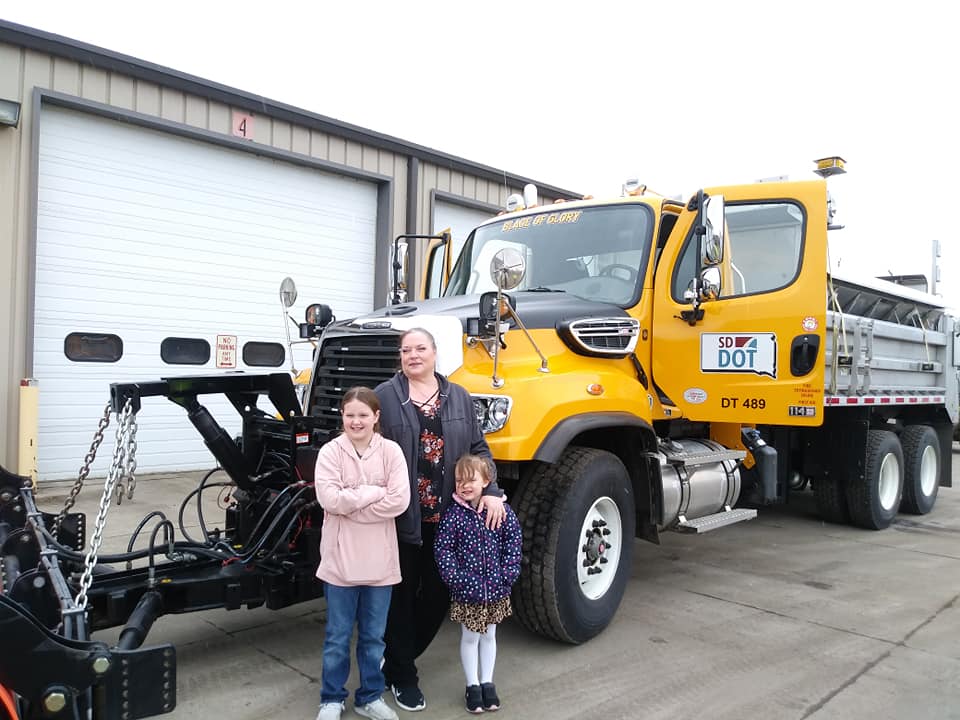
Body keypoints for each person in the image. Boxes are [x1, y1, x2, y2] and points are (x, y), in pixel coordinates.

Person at [375, 327, 507, 712]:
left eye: (420, 348)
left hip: (450, 522)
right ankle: (403, 676)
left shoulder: (459, 397)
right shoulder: (386, 396)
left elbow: (479, 449)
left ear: (435, 353)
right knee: (399, 598)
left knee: (437, 597)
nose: (412, 355)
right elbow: (365, 444)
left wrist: (493, 489)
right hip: (401, 519)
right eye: (405, 350)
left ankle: (397, 659)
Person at [313, 386, 411, 720]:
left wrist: (351, 504)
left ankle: (369, 696)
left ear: (376, 417)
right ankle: (331, 699)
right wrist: (372, 492)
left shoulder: (391, 452)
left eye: (363, 415)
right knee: (337, 637)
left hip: (380, 563)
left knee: (373, 638)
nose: (356, 421)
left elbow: (399, 500)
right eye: (350, 415)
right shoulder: (330, 452)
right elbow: (329, 500)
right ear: (342, 416)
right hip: (340, 560)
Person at [434, 454, 522, 713]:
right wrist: (457, 579)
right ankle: (472, 685)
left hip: (495, 589)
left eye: (471, 479)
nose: (464, 484)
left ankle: (487, 682)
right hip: (467, 591)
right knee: (470, 637)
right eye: (459, 480)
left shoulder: (501, 511)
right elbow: (444, 549)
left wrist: (507, 575)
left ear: (486, 481)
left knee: (490, 635)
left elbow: (513, 544)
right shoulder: (454, 515)